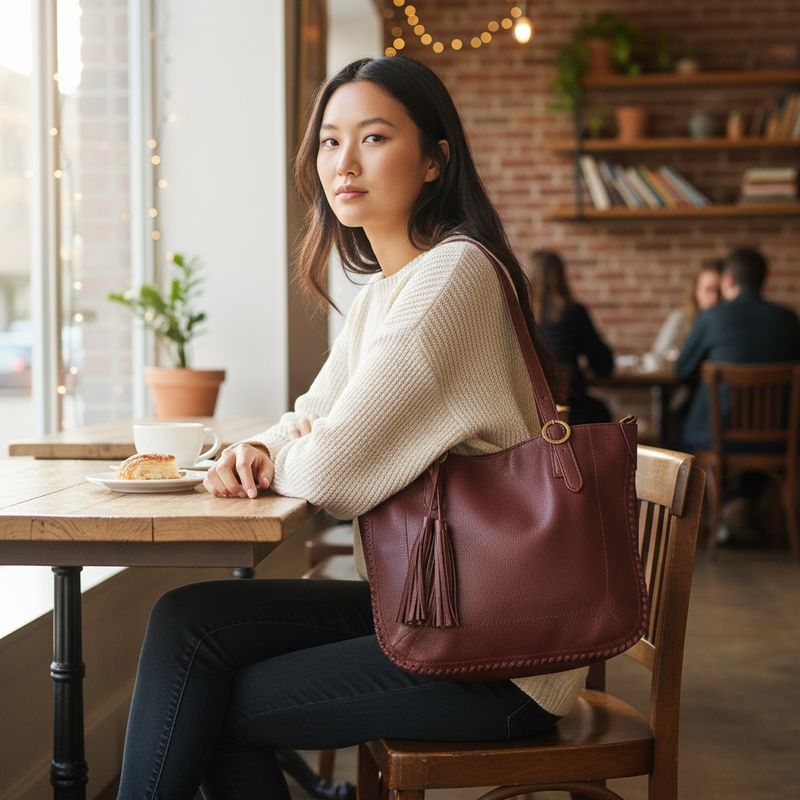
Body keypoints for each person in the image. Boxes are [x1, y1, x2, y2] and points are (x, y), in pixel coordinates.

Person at [116, 57, 588, 800]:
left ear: (434, 161)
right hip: (427, 603)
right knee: (188, 619)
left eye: (373, 137)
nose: (344, 163)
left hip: (501, 651)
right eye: (331, 142)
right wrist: (259, 446)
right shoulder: (388, 292)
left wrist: (300, 445)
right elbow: (309, 416)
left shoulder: (455, 277)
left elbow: (332, 473)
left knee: (212, 708)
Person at [676, 247, 800, 539]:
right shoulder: (789, 319)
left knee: (683, 426)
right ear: (764, 279)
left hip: (718, 435)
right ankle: (739, 504)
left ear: (728, 279)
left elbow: (681, 370)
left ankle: (705, 517)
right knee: (757, 442)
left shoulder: (712, 317)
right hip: (779, 435)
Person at [525, 249, 614, 425]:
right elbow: (604, 365)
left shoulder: (520, 316)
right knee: (602, 412)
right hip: (572, 411)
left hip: (531, 413)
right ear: (561, 277)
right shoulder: (574, 312)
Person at [651, 259, 722, 360]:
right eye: (709, 289)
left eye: (720, 290)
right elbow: (659, 353)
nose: (715, 297)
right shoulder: (680, 318)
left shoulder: (730, 323)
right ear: (696, 291)